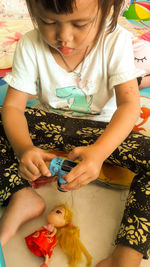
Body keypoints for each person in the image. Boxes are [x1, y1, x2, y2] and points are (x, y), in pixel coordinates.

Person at [0, 0, 149, 266]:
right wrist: (24, 148)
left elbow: (129, 105)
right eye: (47, 22)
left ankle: (126, 255)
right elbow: (12, 106)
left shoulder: (117, 41)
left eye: (80, 24)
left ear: (108, 11)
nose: (63, 37)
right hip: (51, 128)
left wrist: (100, 153)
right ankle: (21, 197)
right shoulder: (30, 44)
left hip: (104, 134)